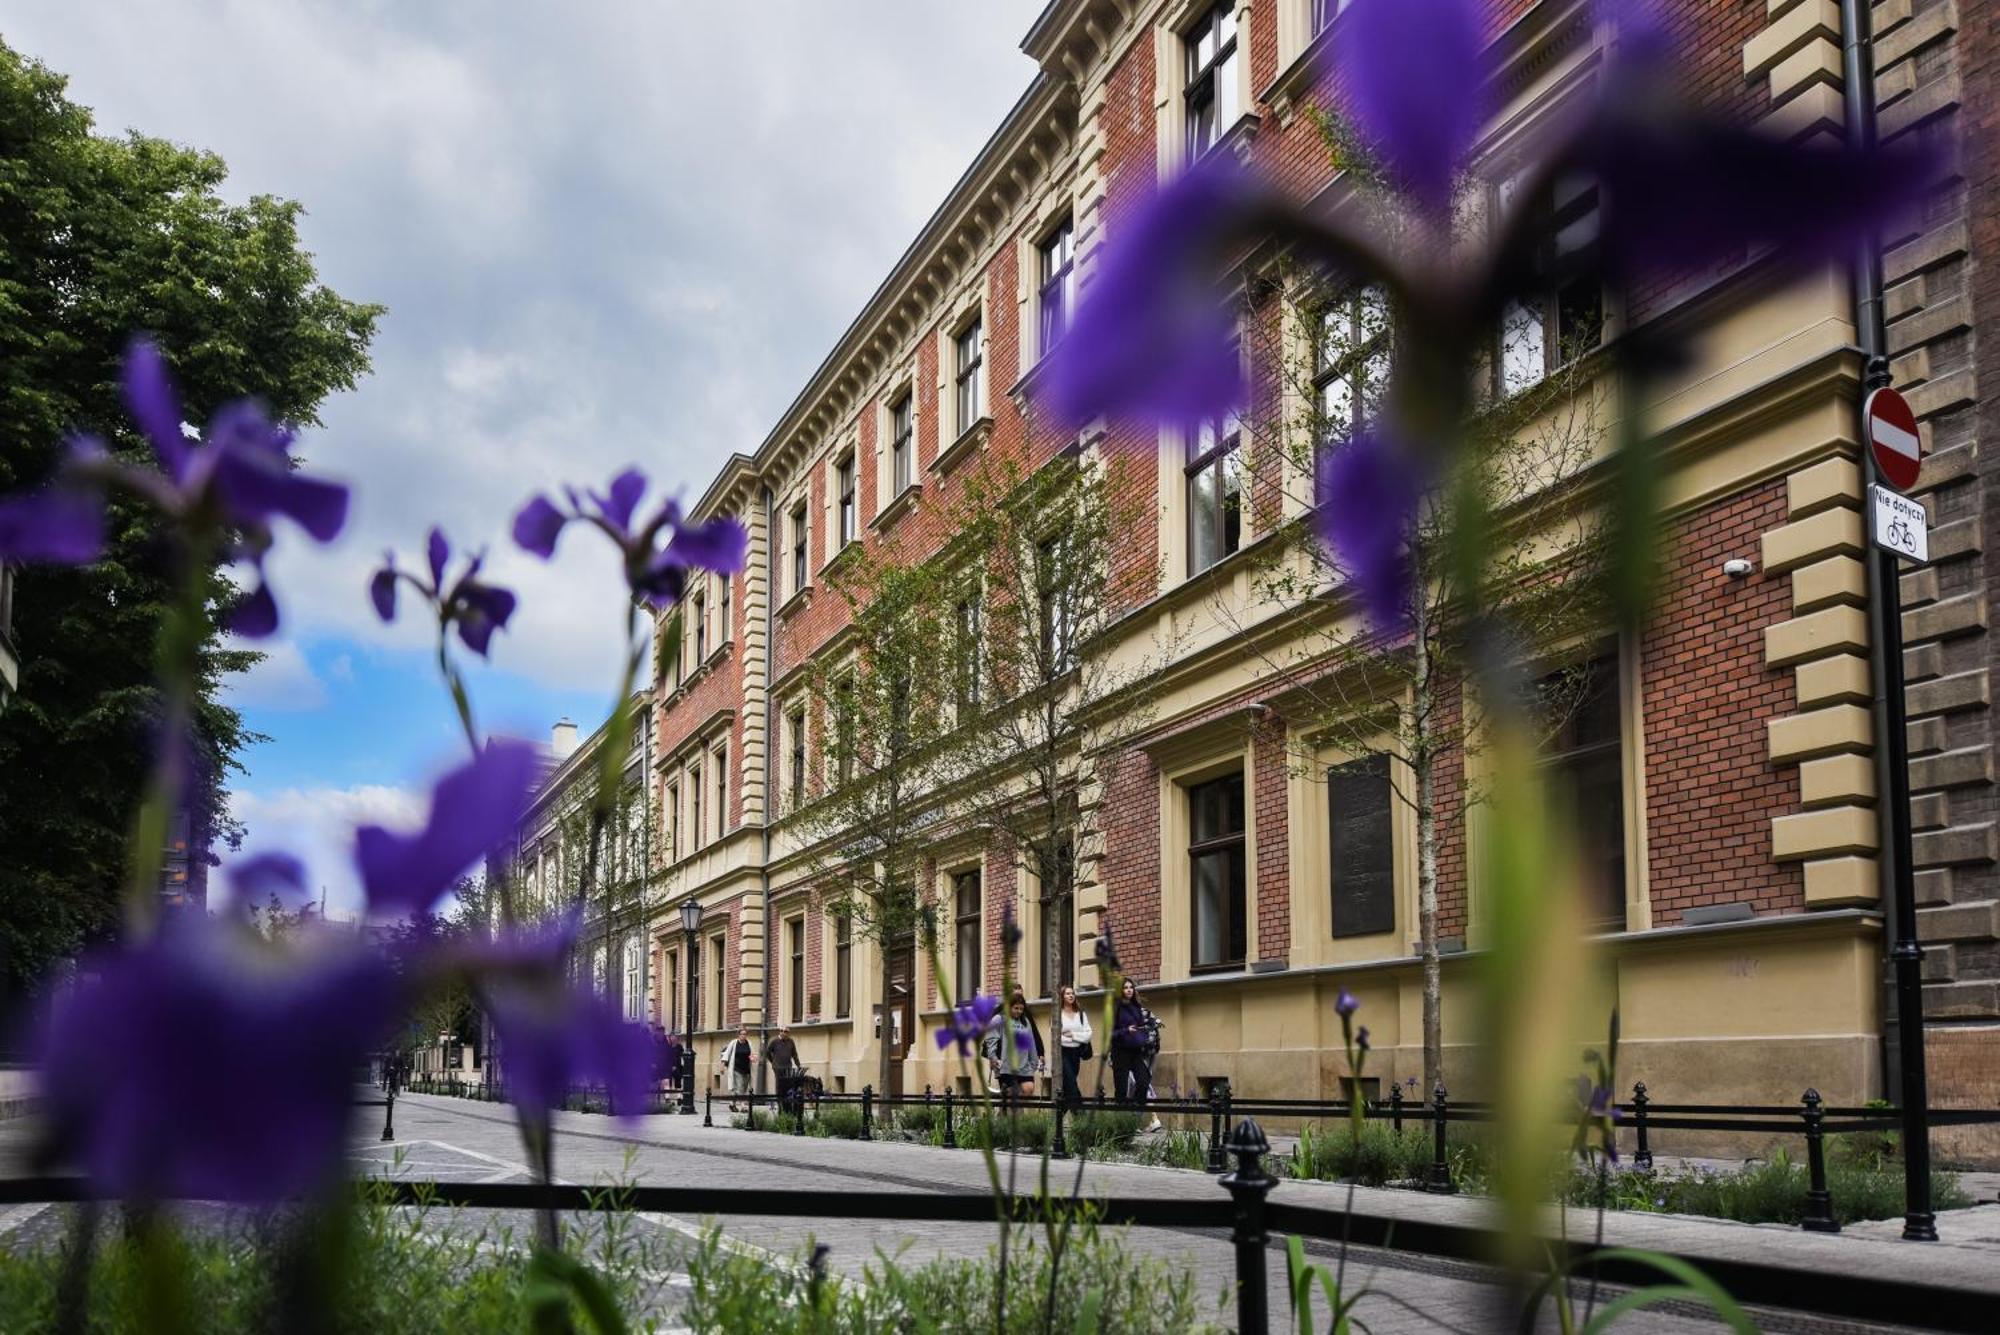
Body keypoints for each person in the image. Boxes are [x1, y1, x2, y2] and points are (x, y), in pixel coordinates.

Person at [986, 991, 1044, 1109]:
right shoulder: (999, 1019)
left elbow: (1031, 1042)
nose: (1019, 1011)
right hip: (1006, 1066)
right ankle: (1010, 1118)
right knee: (1012, 1097)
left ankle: (1004, 1105)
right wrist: (993, 1057)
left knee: (1029, 1089)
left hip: (1024, 1065)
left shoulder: (1025, 1021)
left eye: (1021, 1009)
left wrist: (1034, 1062)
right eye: (1016, 1008)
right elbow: (991, 1039)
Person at [1110, 978, 1152, 1113]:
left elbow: (1140, 1026)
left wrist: (1144, 1033)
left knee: (1144, 1080)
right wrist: (1126, 1030)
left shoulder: (1136, 1007)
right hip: (1120, 1051)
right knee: (1121, 1089)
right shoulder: (1116, 1008)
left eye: (1131, 987)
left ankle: (1134, 1115)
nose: (1129, 990)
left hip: (1135, 1050)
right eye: (1125, 987)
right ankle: (1121, 1122)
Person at [1055, 984, 1091, 1109]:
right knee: (1071, 1084)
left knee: (1068, 1087)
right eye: (1067, 994)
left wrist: (1072, 1035)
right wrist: (1076, 1037)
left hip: (1077, 1053)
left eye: (1072, 993)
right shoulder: (1057, 1014)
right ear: (1062, 997)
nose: (1071, 996)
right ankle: (1080, 1117)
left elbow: (1088, 1035)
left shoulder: (1080, 1014)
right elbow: (1056, 1038)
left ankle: (1056, 1120)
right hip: (1063, 1053)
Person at [765, 1026, 803, 1116]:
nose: (784, 1033)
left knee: (788, 1085)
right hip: (778, 1068)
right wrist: (773, 1062)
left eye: (786, 1031)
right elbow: (767, 1053)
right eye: (782, 1031)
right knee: (780, 1086)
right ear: (780, 1032)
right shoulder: (774, 1041)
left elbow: (794, 1054)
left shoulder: (790, 1041)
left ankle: (787, 1106)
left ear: (788, 1033)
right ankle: (780, 1106)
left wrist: (798, 1065)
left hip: (788, 1067)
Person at [717, 1025, 755, 1111]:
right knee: (740, 1086)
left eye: (745, 1034)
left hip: (746, 1069)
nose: (743, 1036)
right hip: (736, 1069)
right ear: (738, 1035)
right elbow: (726, 1054)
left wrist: (754, 1058)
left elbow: (752, 1054)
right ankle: (743, 1106)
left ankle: (732, 1104)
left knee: (742, 1088)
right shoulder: (734, 1043)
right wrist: (722, 1066)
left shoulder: (749, 1043)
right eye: (742, 1034)